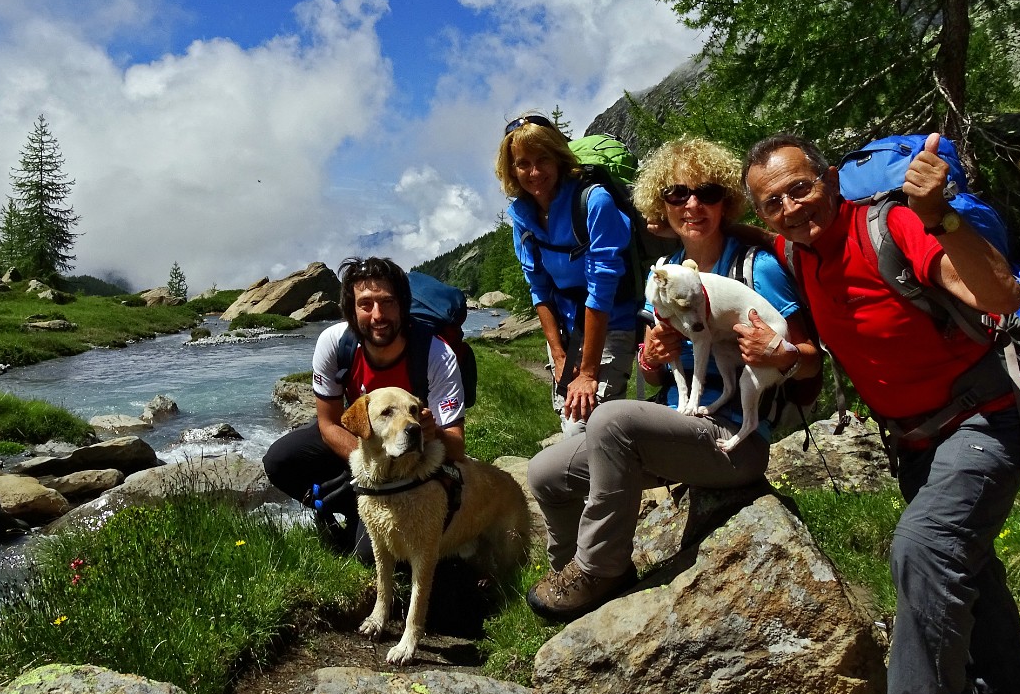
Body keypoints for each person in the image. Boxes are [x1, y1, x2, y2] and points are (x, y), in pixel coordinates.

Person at [742, 132, 1020, 694]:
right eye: (772, 202)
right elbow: (757, 235)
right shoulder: (795, 253)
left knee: (924, 546)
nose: (790, 208)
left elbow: (1002, 297)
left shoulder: (893, 225)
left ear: (831, 180)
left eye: (800, 188)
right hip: (913, 444)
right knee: (967, 573)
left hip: (987, 417)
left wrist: (939, 215)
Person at [524, 137, 819, 621]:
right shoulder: (662, 275)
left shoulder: (755, 267)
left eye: (706, 191)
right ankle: (569, 572)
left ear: (726, 199)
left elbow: (811, 360)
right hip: (677, 425)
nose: (693, 204)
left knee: (612, 421)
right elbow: (652, 366)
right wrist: (651, 360)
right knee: (545, 474)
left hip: (734, 441)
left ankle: (600, 569)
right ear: (661, 204)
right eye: (677, 194)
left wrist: (780, 352)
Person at [261, 256, 467, 557]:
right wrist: (369, 471)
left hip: (415, 462)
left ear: (403, 306)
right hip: (367, 449)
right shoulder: (334, 343)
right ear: (350, 309)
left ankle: (374, 511)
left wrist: (432, 432)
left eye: (388, 302)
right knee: (280, 460)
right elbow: (328, 424)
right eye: (366, 304)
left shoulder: (436, 355)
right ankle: (350, 508)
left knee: (368, 555)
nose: (378, 315)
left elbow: (458, 447)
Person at [497, 114, 638, 436]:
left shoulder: (594, 201)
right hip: (566, 330)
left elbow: (601, 289)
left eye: (543, 159)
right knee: (571, 420)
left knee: (585, 426)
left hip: (610, 323)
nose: (534, 172)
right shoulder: (522, 213)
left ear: (559, 158)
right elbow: (539, 287)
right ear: (511, 170)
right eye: (523, 163)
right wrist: (559, 355)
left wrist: (587, 372)